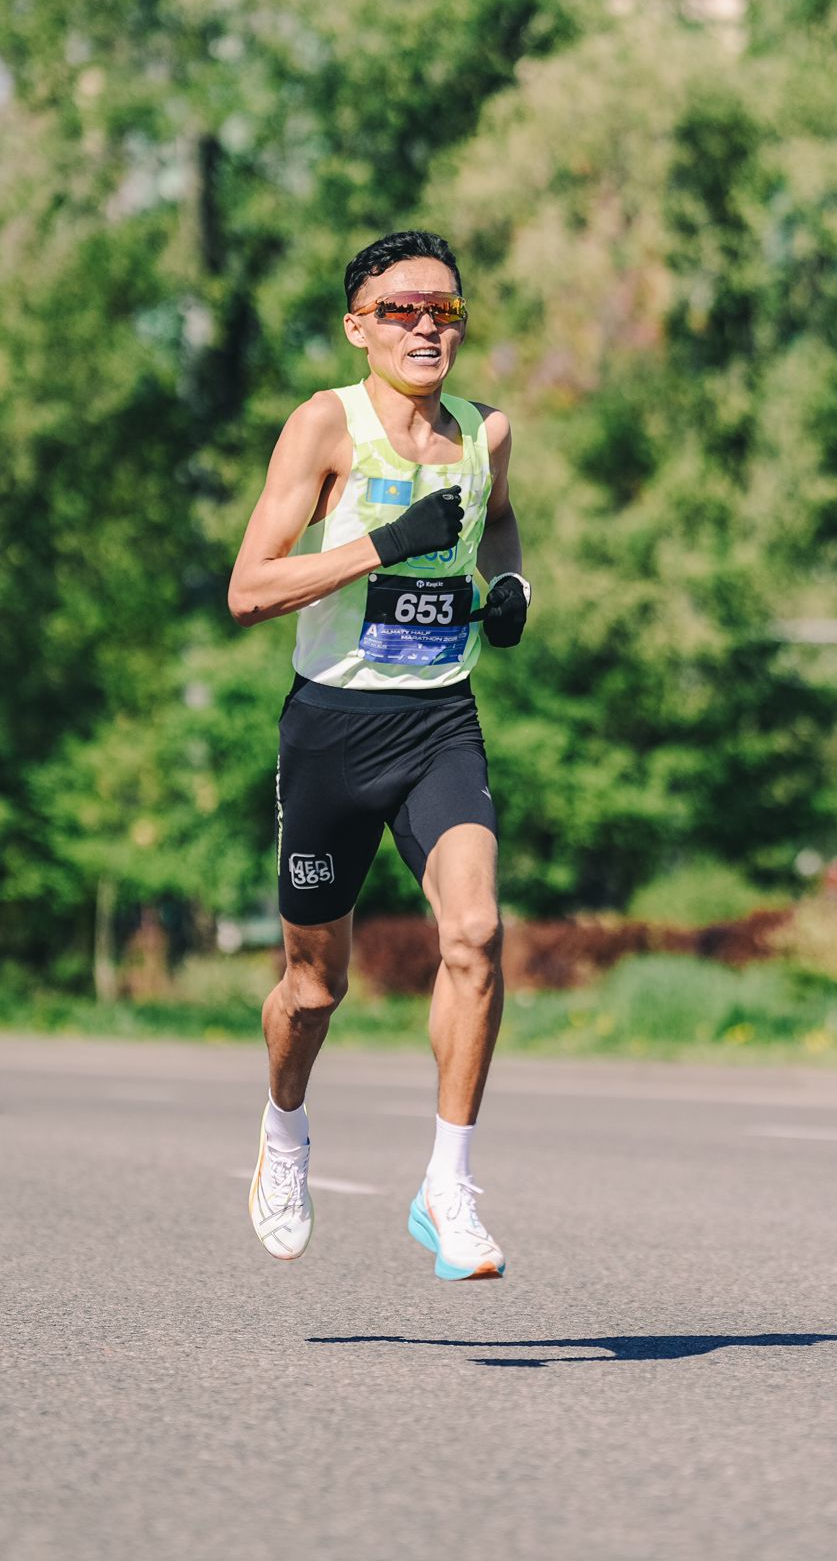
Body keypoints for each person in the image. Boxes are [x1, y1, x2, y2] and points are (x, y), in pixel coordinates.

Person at [228, 229, 530, 1280]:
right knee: (314, 989)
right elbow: (249, 589)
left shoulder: (487, 432)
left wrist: (509, 585)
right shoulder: (326, 425)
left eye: (444, 310)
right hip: (331, 729)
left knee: (476, 934)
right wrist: (381, 547)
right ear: (359, 327)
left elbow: (499, 523)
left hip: (438, 721)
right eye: (401, 310)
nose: (425, 327)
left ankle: (448, 1187)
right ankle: (283, 1136)